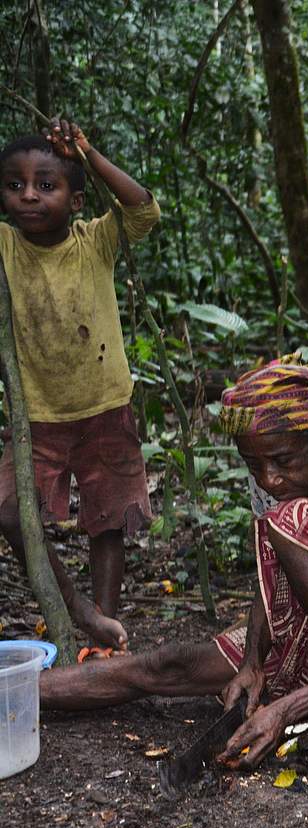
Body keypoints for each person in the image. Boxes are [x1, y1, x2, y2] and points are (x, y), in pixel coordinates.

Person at [38, 362, 308, 767]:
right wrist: (252, 664)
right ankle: (17, 692)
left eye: (283, 461)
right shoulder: (274, 476)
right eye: (254, 464)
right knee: (169, 663)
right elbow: (270, 577)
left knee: (294, 517)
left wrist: (287, 710)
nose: (269, 479)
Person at [0, 118, 160, 655]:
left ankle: (106, 634)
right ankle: (78, 610)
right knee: (8, 510)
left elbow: (142, 208)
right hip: (38, 416)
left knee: (107, 518)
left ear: (75, 199)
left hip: (104, 408)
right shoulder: (4, 247)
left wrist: (87, 151)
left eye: (46, 185)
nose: (28, 196)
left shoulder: (95, 240)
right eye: (15, 185)